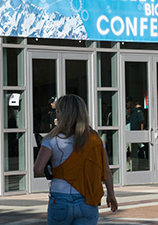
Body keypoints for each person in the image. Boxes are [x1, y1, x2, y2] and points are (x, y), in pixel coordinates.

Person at [34, 94, 118, 224]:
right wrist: (111, 195)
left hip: (60, 198)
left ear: (63, 114)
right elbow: (106, 170)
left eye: (58, 111)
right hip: (87, 199)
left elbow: (38, 169)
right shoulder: (95, 139)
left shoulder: (52, 139)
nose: (56, 115)